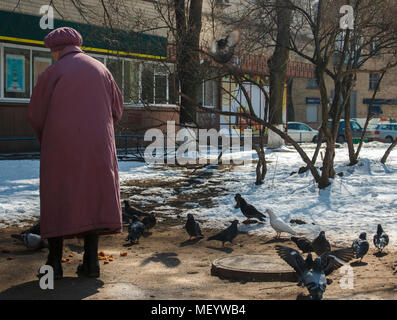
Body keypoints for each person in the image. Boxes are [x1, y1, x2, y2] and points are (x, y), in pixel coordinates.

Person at [28, 27, 123, 279]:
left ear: (56, 50)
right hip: (99, 146)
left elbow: (36, 116)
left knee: (58, 196)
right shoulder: (102, 69)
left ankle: (54, 264)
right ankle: (92, 263)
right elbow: (117, 110)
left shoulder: (52, 73)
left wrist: (48, 140)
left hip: (60, 146)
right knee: (93, 197)